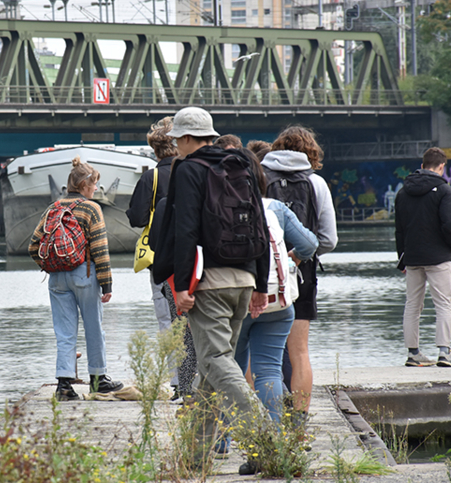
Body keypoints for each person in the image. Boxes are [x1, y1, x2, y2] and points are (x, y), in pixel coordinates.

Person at [152, 106, 270, 474]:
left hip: (209, 283)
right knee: (210, 367)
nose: (176, 149)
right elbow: (260, 223)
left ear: (187, 139)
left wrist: (183, 287)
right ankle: (196, 455)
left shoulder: (189, 169)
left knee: (217, 361)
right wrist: (261, 285)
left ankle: (267, 437)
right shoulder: (242, 164)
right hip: (244, 279)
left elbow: (185, 230)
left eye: (177, 142)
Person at [30, 157, 124, 400]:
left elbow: (33, 245)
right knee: (94, 327)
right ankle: (98, 380)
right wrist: (107, 284)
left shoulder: (53, 208)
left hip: (57, 279)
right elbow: (100, 249)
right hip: (85, 273)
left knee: (64, 332)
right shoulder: (91, 208)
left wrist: (50, 265)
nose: (96, 189)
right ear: (83, 184)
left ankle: (63, 386)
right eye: (94, 184)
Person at [235, 149, 318, 422]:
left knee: (231, 369)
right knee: (269, 370)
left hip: (238, 302)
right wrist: (295, 257)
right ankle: (275, 435)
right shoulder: (275, 208)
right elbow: (310, 244)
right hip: (277, 301)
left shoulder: (221, 207)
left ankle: (225, 441)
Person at [260, 125, 337, 417]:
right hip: (301, 275)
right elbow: (328, 239)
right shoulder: (316, 184)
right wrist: (297, 256)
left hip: (263, 275)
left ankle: (266, 419)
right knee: (299, 352)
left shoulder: (259, 178)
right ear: (312, 153)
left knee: (259, 356)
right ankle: (299, 423)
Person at [126, 117, 187, 398]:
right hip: (194, 257)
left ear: (155, 149)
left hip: (160, 259)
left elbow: (137, 218)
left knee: (167, 321)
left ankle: (177, 383)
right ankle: (197, 381)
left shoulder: (151, 177)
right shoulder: (191, 172)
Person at [395, 147, 451, 368]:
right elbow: (450, 225)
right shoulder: (444, 191)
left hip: (412, 257)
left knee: (412, 304)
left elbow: (399, 230)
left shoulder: (403, 192)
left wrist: (402, 257)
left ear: (422, 166)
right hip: (438, 257)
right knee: (443, 304)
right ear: (442, 167)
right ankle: (444, 353)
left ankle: (413, 354)